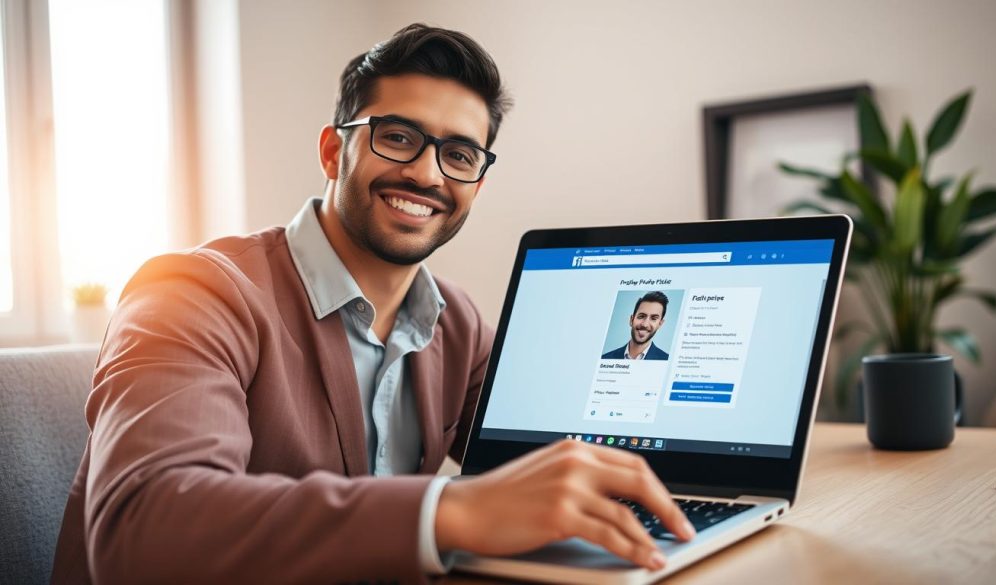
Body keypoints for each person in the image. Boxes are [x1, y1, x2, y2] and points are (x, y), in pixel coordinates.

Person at [51, 24, 693, 584]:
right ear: (334, 150)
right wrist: (449, 512)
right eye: (398, 136)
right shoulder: (195, 294)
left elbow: (541, 462)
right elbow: (145, 535)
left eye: (459, 155)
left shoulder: (458, 325)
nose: (428, 174)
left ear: (477, 182)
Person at [602, 291, 671, 360]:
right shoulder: (605, 358)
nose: (645, 324)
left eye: (653, 318)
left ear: (660, 324)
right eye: (641, 316)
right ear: (631, 320)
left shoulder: (667, 360)